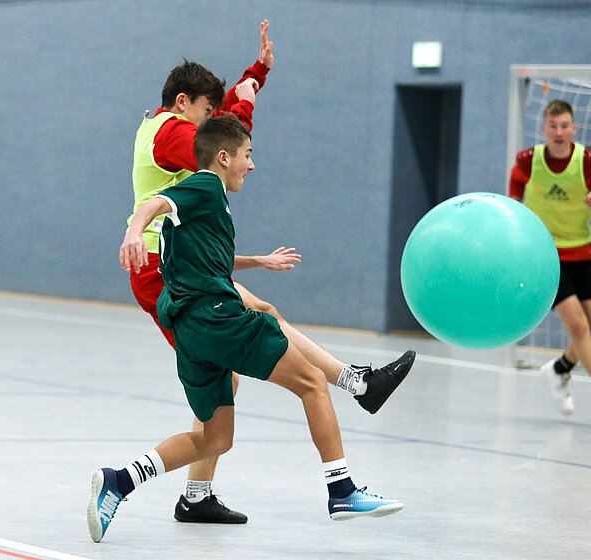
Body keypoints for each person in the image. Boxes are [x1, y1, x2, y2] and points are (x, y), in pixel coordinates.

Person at [127, 21, 416, 524]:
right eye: (206, 107)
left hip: (180, 265)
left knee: (231, 376)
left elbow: (224, 136)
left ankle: (195, 495)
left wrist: (255, 76)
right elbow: (222, 143)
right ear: (181, 103)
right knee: (259, 327)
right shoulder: (171, 134)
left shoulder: (174, 132)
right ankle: (356, 383)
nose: (212, 116)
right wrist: (247, 95)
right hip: (165, 270)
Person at [89, 114, 409, 543]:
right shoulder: (204, 186)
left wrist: (260, 261)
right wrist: (133, 229)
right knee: (313, 382)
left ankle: (119, 481)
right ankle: (342, 489)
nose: (251, 164)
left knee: (213, 438)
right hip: (219, 318)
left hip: (191, 333)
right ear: (224, 157)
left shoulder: (207, 208)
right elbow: (155, 204)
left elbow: (211, 259)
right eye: (247, 155)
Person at [509, 99, 591, 431]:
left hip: (582, 254)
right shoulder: (527, 161)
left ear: (574, 128)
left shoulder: (589, 162)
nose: (558, 132)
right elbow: (511, 206)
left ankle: (560, 368)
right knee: (579, 329)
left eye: (564, 125)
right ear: (543, 130)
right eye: (552, 126)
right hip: (546, 259)